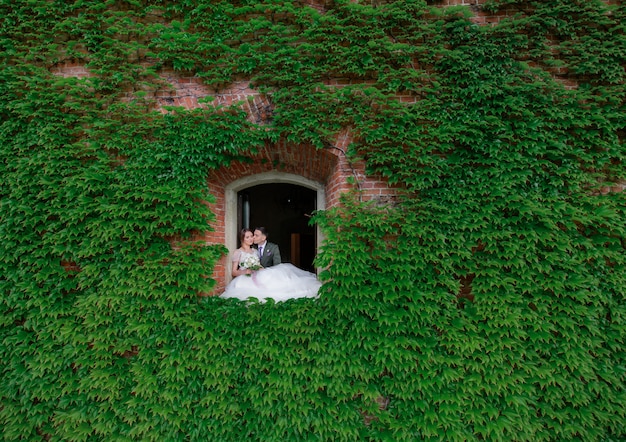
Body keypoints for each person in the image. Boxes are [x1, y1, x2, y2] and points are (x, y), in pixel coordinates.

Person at [221, 228, 321, 303]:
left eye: (252, 236)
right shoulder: (238, 252)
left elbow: (258, 265)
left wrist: (260, 268)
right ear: (242, 239)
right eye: (248, 237)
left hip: (257, 275)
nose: (251, 239)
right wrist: (245, 271)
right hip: (245, 278)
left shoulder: (255, 251)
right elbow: (234, 272)